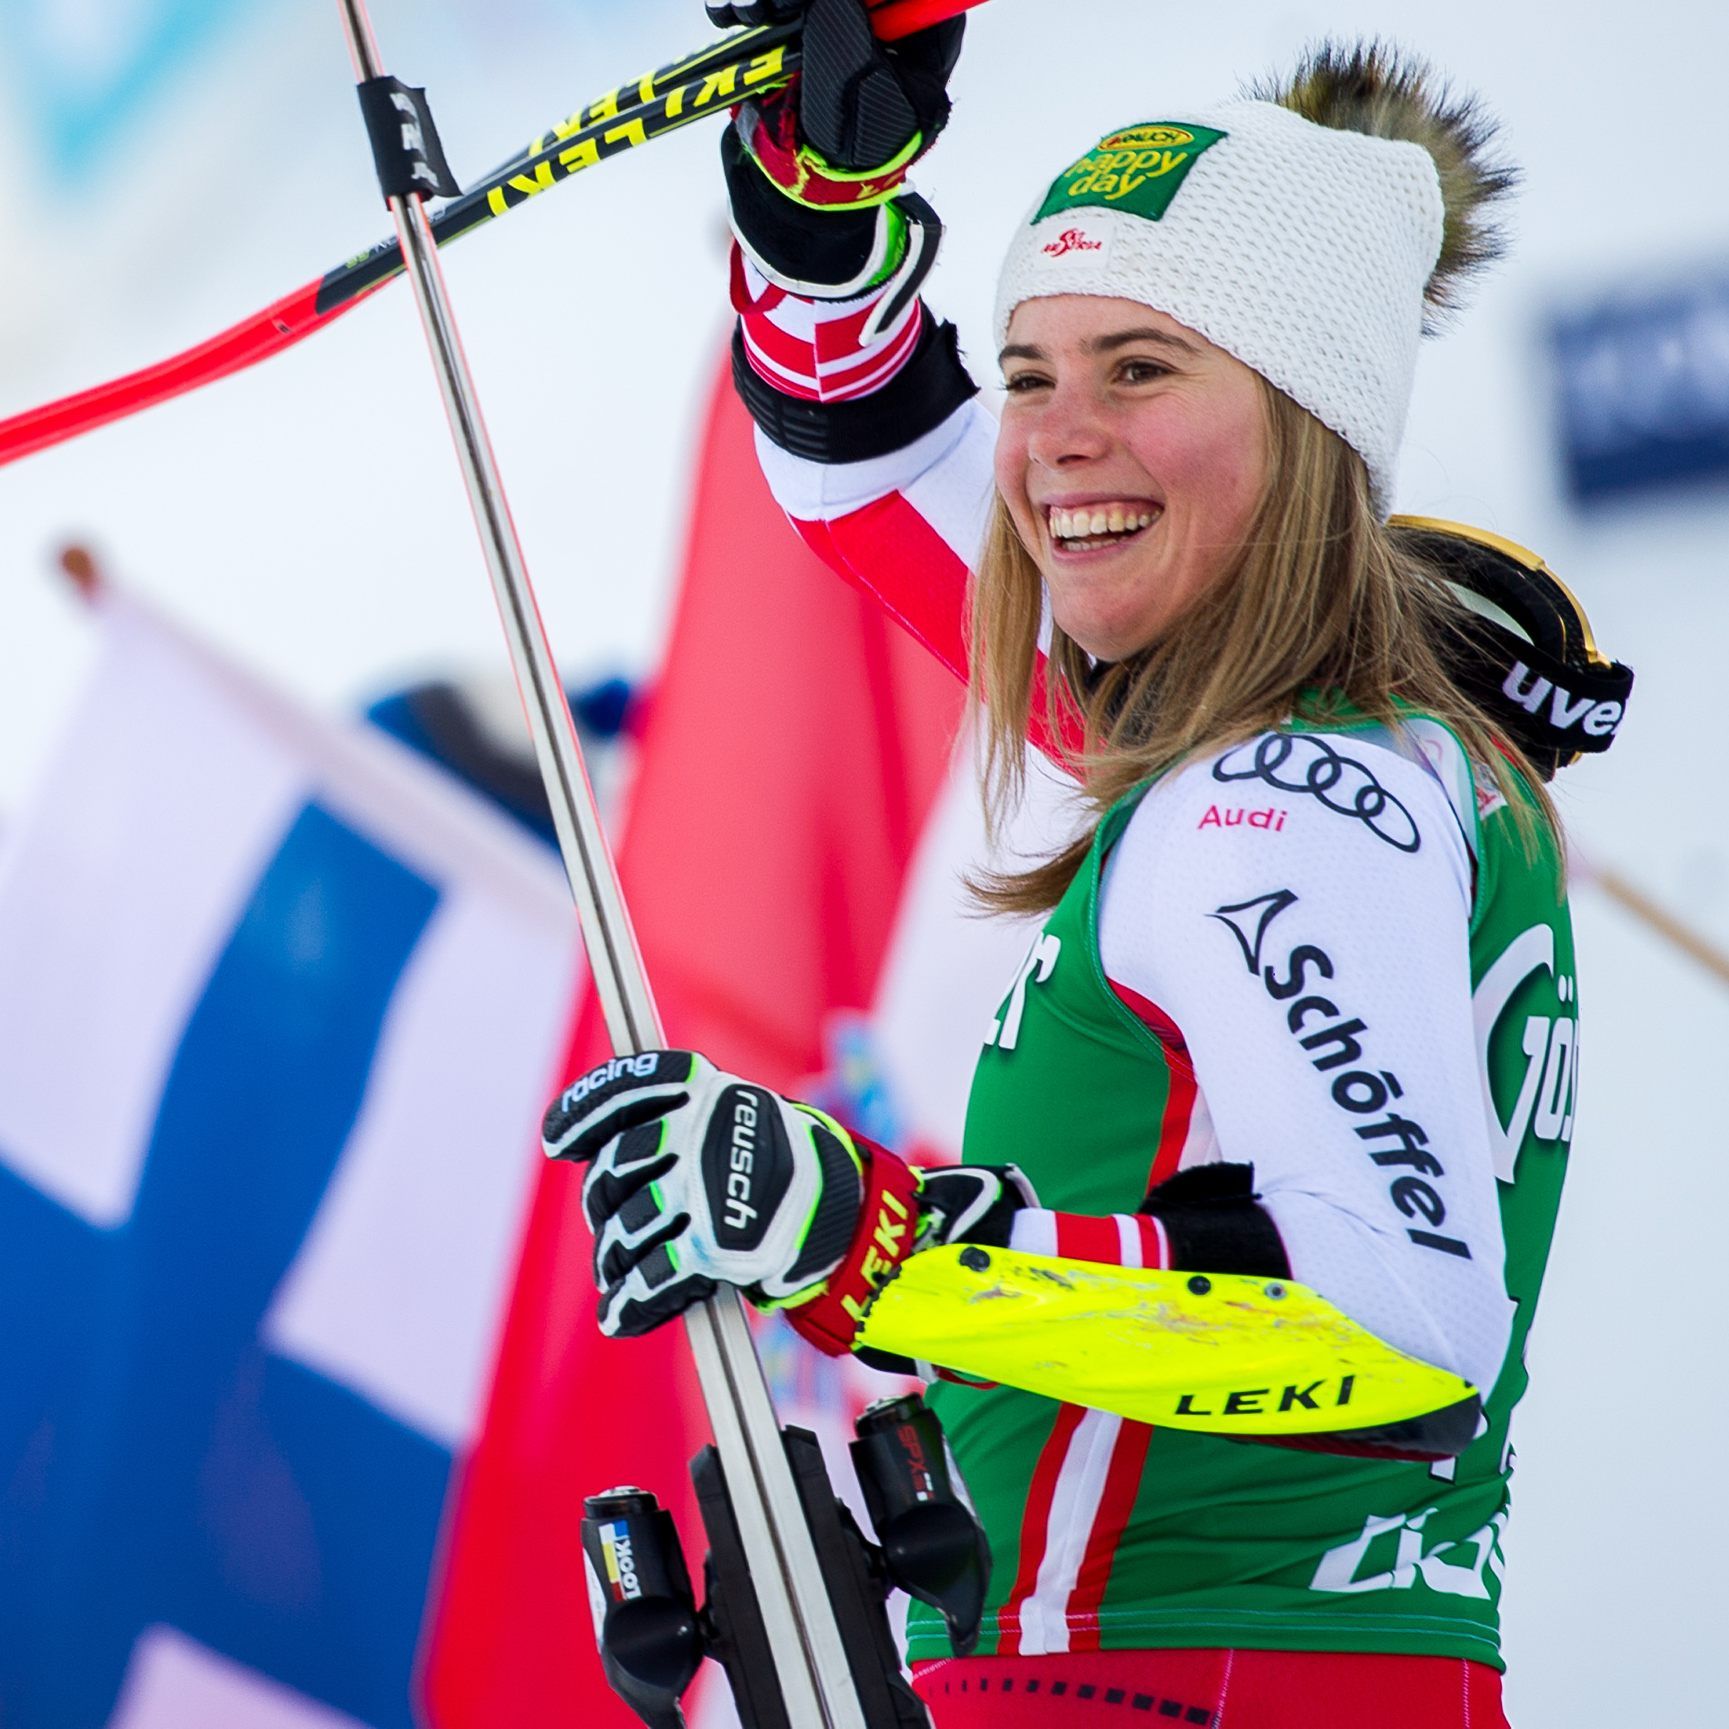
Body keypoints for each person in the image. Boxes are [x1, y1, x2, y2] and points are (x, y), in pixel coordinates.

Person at [542, 5, 1633, 1724]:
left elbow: (1402, 1330)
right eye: (1031, 372)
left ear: (1305, 428)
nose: (1049, 442)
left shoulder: (1282, 793)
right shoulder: (1290, 736)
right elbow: (867, 468)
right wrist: (822, 208)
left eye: (1139, 370)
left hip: (1192, 1680)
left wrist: (862, 1244)